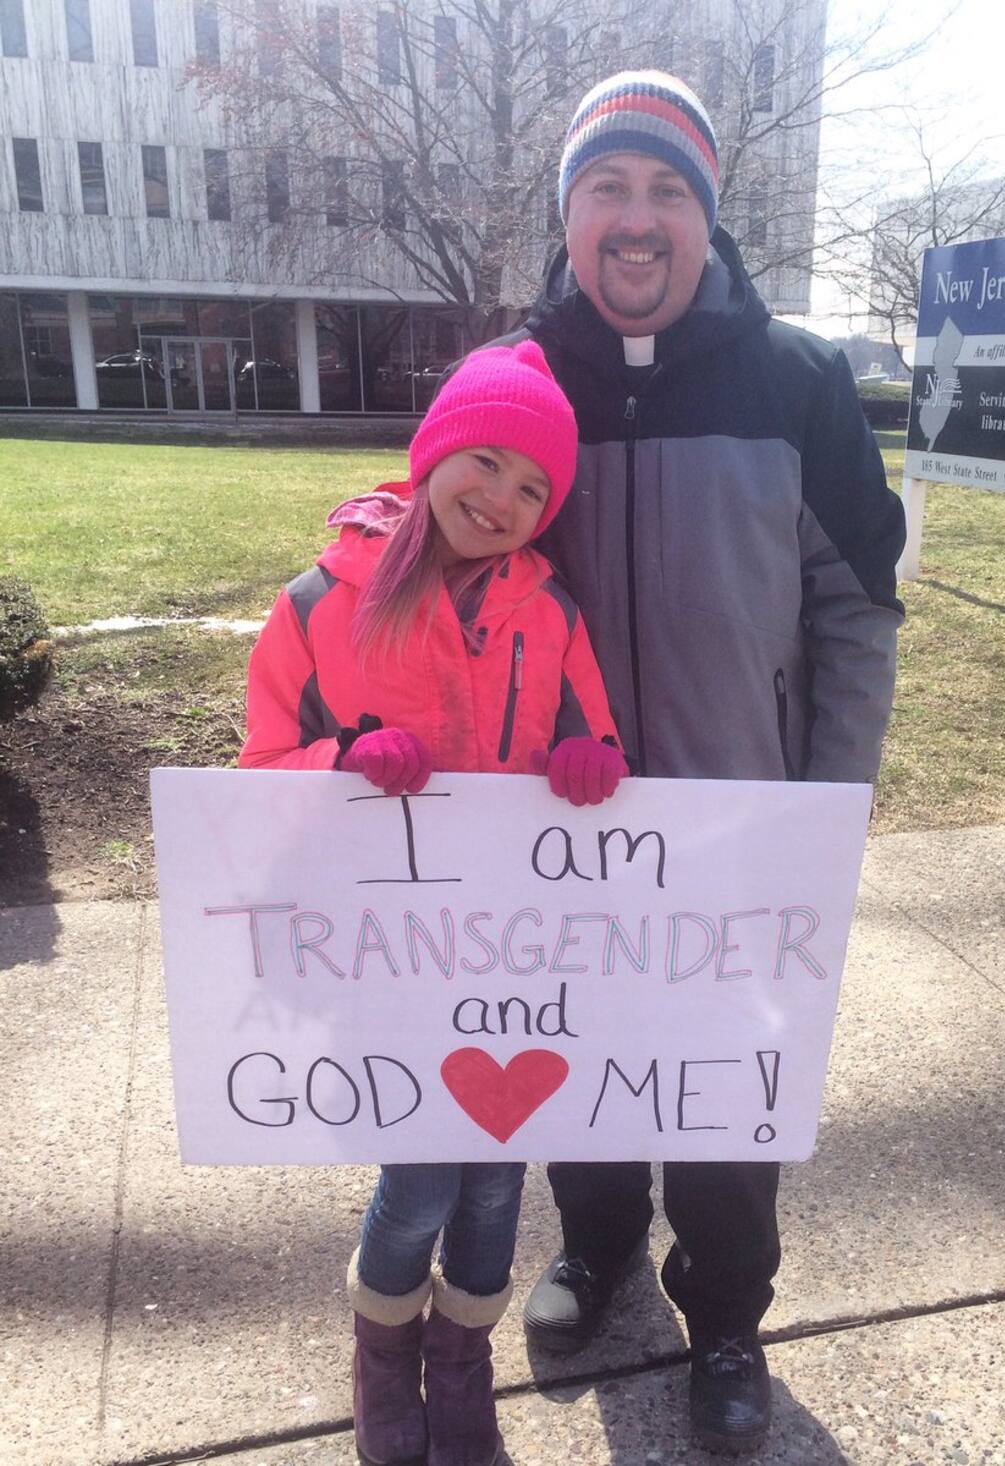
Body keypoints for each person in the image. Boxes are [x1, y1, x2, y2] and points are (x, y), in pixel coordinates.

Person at [499, 72, 908, 1454]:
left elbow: (858, 603)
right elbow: (442, 575)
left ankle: (727, 1313)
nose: (637, 215)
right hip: (554, 830)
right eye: (607, 186)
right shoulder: (520, 375)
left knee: (731, 1096)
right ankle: (599, 1241)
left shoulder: (796, 380)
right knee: (584, 1059)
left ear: (708, 217)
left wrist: (827, 813)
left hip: (743, 835)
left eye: (668, 188)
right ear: (569, 215)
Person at [238, 340, 627, 1466]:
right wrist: (346, 760)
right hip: (383, 955)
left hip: (508, 951)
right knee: (416, 1178)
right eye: (487, 462)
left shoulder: (549, 609)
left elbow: (590, 729)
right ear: (435, 452)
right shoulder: (318, 604)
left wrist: (590, 763)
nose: (502, 499)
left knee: (500, 1174)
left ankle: (463, 1367)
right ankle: (383, 1362)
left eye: (533, 487)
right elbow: (261, 766)